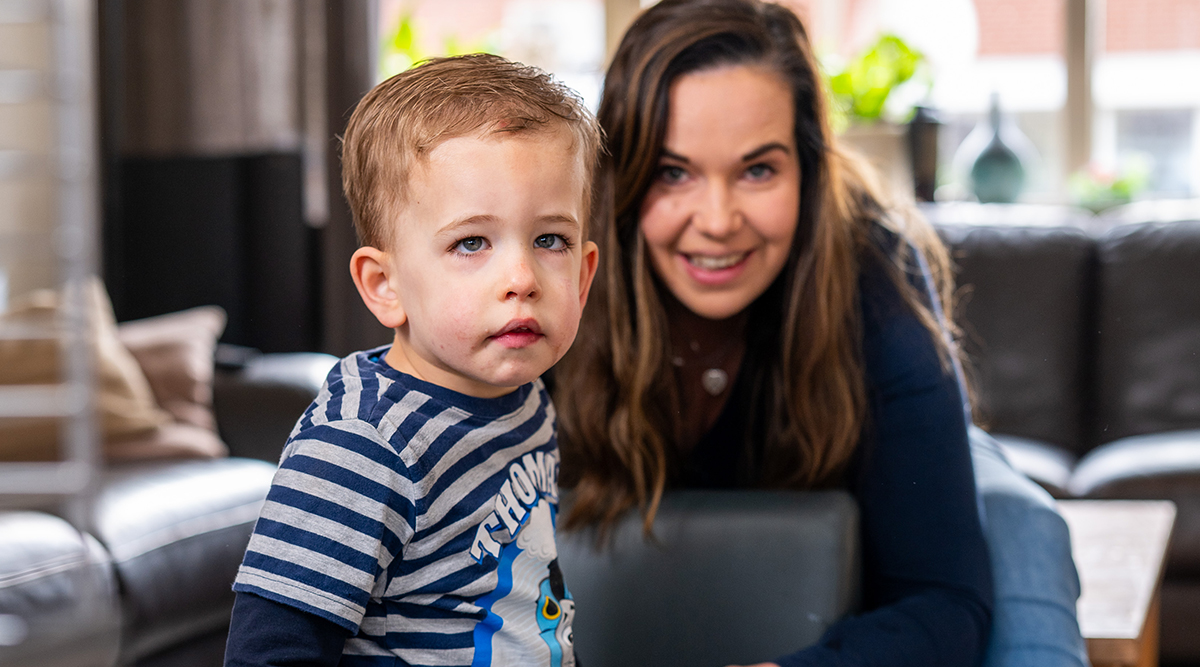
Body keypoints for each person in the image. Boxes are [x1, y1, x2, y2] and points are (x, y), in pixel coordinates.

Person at [552, 1, 1089, 666]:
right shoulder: (553, 275)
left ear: (806, 171)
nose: (718, 220)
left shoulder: (874, 275)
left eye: (758, 170)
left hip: (891, 488)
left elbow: (943, 601)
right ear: (622, 180)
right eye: (673, 172)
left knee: (1016, 520)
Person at [223, 54, 600, 667]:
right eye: (471, 242)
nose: (522, 278)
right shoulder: (363, 444)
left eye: (549, 240)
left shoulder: (524, 397)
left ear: (583, 276)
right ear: (384, 285)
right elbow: (267, 654)